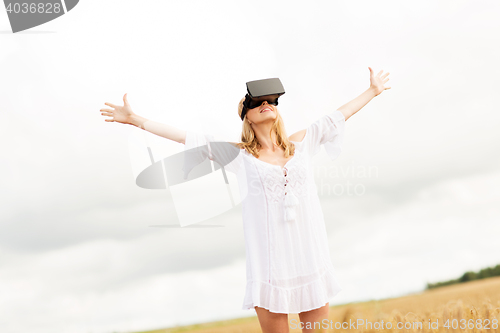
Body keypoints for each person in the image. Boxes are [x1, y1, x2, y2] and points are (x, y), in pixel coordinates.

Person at [99, 67, 391, 333]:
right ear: (247, 115)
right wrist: (135, 120)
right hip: (271, 263)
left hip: (308, 255)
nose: (266, 105)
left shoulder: (302, 144)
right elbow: (186, 137)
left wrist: (373, 90)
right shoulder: (240, 156)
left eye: (272, 101)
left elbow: (338, 115)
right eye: (256, 103)